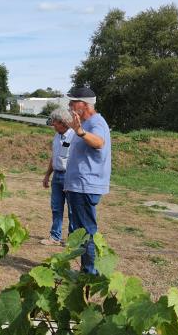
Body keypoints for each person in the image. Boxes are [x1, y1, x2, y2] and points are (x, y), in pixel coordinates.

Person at [64, 87, 111, 275]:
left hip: (85, 186)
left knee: (87, 231)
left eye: (72, 102)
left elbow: (99, 142)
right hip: (77, 186)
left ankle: (89, 273)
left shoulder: (95, 123)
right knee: (82, 231)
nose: (69, 106)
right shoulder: (85, 123)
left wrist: (81, 132)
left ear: (84, 105)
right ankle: (87, 269)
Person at [41, 108, 74, 246]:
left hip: (70, 176)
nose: (52, 124)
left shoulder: (74, 136)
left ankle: (73, 239)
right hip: (57, 176)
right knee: (56, 207)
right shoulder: (56, 136)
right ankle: (55, 236)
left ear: (62, 122)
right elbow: (54, 158)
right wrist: (47, 175)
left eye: (54, 122)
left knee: (73, 209)